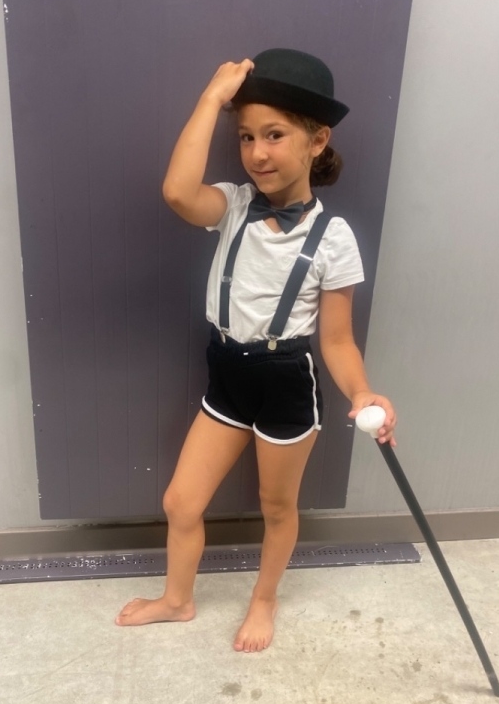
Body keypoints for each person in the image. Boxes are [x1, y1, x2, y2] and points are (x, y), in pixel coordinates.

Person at [116, 49, 397, 652]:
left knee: (276, 505)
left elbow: (337, 338)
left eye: (274, 135)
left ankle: (264, 599)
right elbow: (177, 192)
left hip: (286, 382)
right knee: (181, 502)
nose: (257, 153)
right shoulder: (235, 206)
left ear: (317, 140)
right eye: (246, 136)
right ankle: (177, 599)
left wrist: (362, 391)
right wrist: (212, 98)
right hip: (227, 375)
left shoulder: (334, 239)